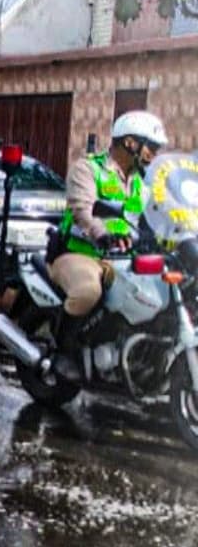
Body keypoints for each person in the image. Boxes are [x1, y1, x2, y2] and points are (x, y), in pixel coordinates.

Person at [48, 110, 166, 381]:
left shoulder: (140, 183)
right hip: (79, 253)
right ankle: (62, 351)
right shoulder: (89, 168)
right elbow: (83, 210)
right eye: (151, 147)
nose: (153, 154)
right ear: (130, 143)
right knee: (88, 291)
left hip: (120, 259)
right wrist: (101, 233)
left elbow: (153, 218)